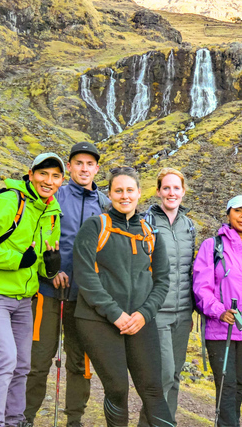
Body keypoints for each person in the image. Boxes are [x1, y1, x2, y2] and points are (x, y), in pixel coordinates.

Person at [0, 152, 65, 427]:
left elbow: (41, 263)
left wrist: (51, 266)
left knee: (23, 364)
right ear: (32, 174)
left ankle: (15, 421)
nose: (49, 181)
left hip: (25, 300)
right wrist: (16, 260)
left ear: (61, 180)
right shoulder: (9, 201)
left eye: (56, 176)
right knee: (5, 360)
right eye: (43, 174)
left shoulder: (52, 213)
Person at [73, 166, 174, 427]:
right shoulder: (95, 227)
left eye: (130, 190)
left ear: (140, 193)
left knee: (152, 388)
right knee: (117, 388)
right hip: (98, 320)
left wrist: (143, 314)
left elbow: (162, 281)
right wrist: (116, 315)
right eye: (118, 191)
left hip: (140, 320)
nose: (124, 196)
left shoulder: (151, 233)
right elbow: (86, 277)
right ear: (110, 194)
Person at [23, 142, 108, 427]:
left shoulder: (106, 204)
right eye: (78, 163)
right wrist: (49, 272)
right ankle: (25, 417)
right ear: (69, 167)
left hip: (85, 299)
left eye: (90, 164)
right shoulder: (53, 196)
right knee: (38, 360)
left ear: (97, 168)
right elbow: (34, 236)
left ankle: (75, 420)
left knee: (79, 363)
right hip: (48, 293)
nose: (84, 168)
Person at [193, 195, 242, 427]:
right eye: (238, 211)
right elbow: (201, 286)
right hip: (220, 328)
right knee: (226, 384)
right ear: (228, 213)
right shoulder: (212, 245)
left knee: (238, 384)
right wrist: (219, 310)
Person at [137, 168, 196, 427]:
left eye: (176, 188)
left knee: (174, 376)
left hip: (184, 313)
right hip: (157, 311)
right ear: (159, 191)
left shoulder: (189, 225)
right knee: (162, 375)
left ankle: (165, 422)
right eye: (166, 187)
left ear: (183, 191)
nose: (172, 192)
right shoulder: (146, 221)